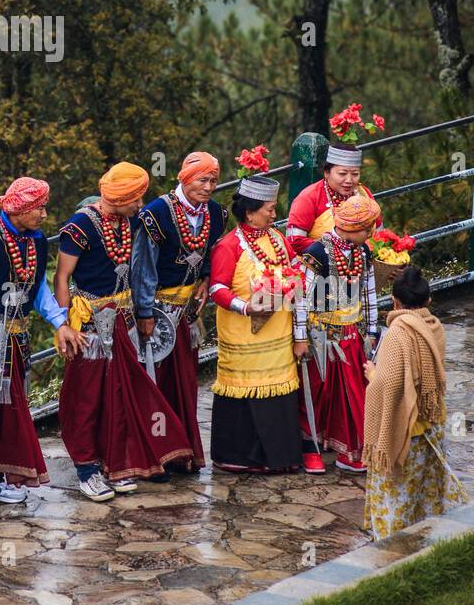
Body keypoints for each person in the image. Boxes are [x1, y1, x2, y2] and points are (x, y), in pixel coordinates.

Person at [55, 161, 193, 501]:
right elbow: (61, 278)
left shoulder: (132, 222)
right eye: (135, 198)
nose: (140, 205)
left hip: (123, 319)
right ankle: (87, 469)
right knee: (87, 396)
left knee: (119, 392)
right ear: (120, 196)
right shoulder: (78, 228)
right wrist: (61, 326)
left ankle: (114, 464)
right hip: (88, 323)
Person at [0, 176, 81, 513]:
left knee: (5, 413)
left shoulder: (36, 242)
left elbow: (37, 291)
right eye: (39, 208)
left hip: (15, 342)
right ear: (20, 209)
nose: (44, 215)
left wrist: (60, 323)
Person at [131, 151, 225, 472]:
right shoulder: (155, 214)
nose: (209, 186)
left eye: (213, 180)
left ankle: (181, 451)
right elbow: (142, 267)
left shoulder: (215, 213)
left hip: (186, 313)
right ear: (185, 178)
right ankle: (154, 453)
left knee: (183, 381)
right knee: (153, 381)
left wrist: (207, 277)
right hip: (156, 312)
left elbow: (212, 250)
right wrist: (144, 312)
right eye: (202, 179)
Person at [208, 171, 308, 473]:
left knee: (277, 394)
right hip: (243, 335)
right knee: (244, 392)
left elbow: (295, 273)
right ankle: (239, 457)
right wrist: (246, 307)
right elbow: (217, 288)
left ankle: (277, 457)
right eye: (269, 209)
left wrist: (299, 334)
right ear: (250, 212)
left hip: (278, 335)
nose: (274, 215)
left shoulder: (276, 238)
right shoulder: (229, 246)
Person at [363, 266, 468, 540]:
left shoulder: (399, 332)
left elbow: (390, 384)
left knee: (397, 496)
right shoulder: (434, 326)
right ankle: (425, 538)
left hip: (404, 432)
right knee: (424, 492)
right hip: (430, 426)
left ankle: (392, 547)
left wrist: (373, 374)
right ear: (428, 300)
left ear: (395, 302)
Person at [299, 191, 382, 473]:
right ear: (358, 229)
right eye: (370, 229)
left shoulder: (363, 251)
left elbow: (369, 292)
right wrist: (301, 336)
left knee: (353, 393)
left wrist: (371, 330)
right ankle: (311, 447)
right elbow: (301, 297)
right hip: (321, 336)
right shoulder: (317, 252)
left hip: (353, 335)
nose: (372, 233)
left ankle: (350, 450)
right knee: (320, 392)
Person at [286, 141, 377, 255]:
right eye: (342, 174)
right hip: (321, 265)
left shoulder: (364, 194)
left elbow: (379, 235)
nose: (349, 180)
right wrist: (340, 250)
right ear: (326, 173)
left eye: (355, 174)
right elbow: (294, 241)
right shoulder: (309, 197)